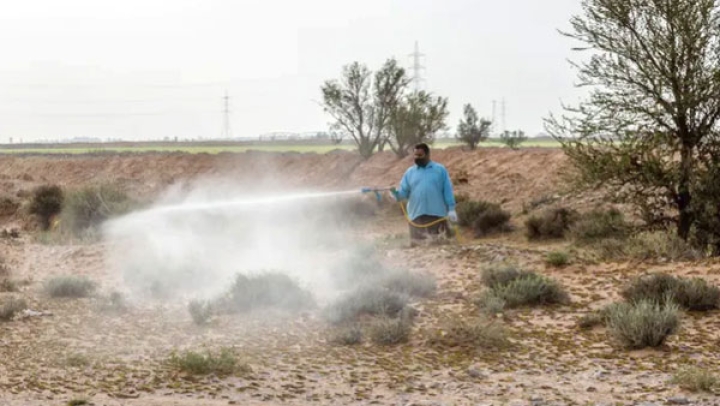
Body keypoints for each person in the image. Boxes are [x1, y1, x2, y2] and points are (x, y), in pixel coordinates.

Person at [391, 143, 458, 246]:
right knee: (417, 247)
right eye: (415, 155)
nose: (417, 158)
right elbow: (403, 193)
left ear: (428, 155)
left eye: (420, 155)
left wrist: (451, 209)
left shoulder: (440, 170)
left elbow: (447, 190)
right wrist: (395, 193)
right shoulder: (410, 173)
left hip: (436, 216)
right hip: (416, 217)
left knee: (438, 246)